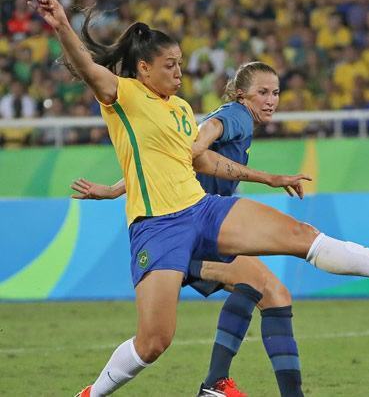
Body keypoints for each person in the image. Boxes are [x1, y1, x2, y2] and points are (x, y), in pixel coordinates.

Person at [28, 0, 369, 397]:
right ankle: (93, 393)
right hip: (157, 228)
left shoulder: (178, 109)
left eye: (180, 64)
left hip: (202, 210)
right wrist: (63, 25)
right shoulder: (123, 96)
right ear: (143, 68)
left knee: (299, 235)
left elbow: (199, 162)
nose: (179, 73)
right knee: (154, 342)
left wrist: (267, 178)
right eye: (170, 65)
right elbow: (86, 66)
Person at [71, 62, 308, 397]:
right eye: (263, 92)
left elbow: (167, 159)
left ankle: (216, 382)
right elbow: (193, 147)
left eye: (276, 93)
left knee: (270, 292)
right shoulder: (237, 116)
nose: (271, 100)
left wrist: (113, 190)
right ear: (242, 94)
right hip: (186, 231)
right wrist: (200, 151)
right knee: (257, 292)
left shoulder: (236, 119)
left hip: (196, 230)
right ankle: (215, 381)